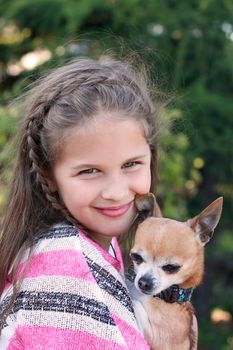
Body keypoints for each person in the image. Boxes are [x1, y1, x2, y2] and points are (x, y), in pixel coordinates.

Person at [0, 57, 196, 349]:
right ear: (48, 174)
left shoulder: (100, 246)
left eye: (131, 164)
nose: (116, 192)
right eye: (89, 171)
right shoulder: (65, 269)